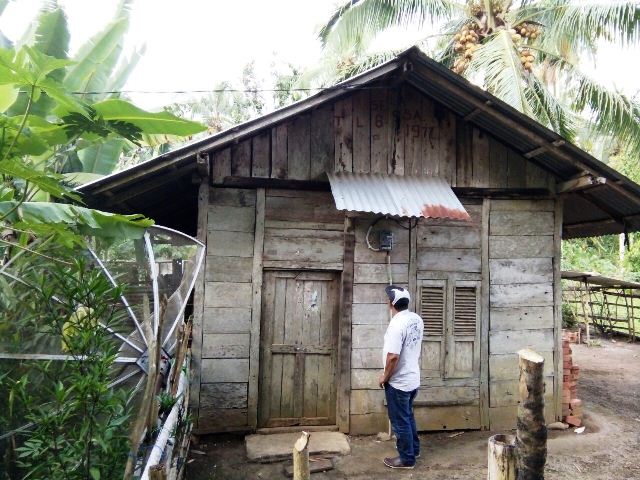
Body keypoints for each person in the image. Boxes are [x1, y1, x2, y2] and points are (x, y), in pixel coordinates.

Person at [378, 285, 424, 469]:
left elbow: (393, 356)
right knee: (408, 416)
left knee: (400, 421)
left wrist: (384, 377)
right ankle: (415, 450)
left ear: (391, 303)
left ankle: (406, 459)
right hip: (413, 379)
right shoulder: (416, 319)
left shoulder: (396, 324)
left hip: (398, 382)